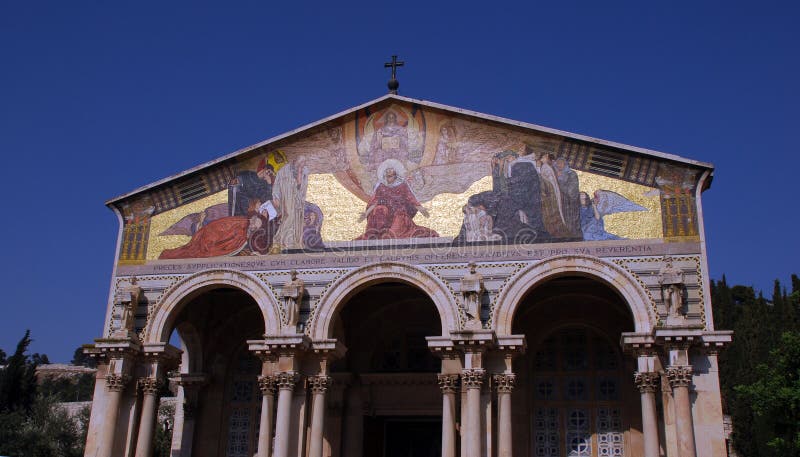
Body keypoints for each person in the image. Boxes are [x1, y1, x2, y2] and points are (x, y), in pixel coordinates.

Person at [356, 159, 438, 240]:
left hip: (399, 213)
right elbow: (374, 202)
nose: (389, 178)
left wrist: (421, 209)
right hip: (385, 216)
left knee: (395, 233)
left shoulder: (402, 186)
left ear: (395, 175)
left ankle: (391, 233)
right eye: (387, 175)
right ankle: (378, 233)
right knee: (379, 209)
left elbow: (411, 199)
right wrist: (366, 214)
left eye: (391, 175)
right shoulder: (381, 187)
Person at [272, 156, 309, 250]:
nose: (302, 165)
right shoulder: (284, 170)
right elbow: (276, 184)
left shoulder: (304, 171)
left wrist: (300, 174)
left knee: (297, 219)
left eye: (303, 163)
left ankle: (293, 241)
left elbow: (302, 185)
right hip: (287, 197)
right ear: (295, 161)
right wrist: (276, 196)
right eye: (300, 163)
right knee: (289, 215)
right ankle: (280, 239)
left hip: (298, 198)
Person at [555, 157, 582, 238]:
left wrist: (559, 180)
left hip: (570, 205)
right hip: (560, 203)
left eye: (560, 163)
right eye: (557, 163)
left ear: (565, 164)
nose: (558, 165)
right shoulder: (555, 174)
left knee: (570, 223)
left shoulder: (572, 174)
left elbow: (571, 191)